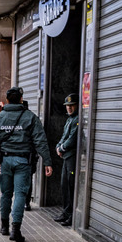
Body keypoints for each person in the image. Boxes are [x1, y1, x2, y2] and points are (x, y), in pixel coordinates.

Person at [0, 86, 52, 242]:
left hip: (5, 161)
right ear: (21, 99)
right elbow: (40, 141)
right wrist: (47, 161)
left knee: (6, 194)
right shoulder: (30, 117)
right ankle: (16, 230)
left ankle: (4, 226)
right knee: (20, 194)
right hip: (23, 161)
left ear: (7, 100)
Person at [54, 94, 79, 226]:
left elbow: (72, 138)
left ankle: (71, 215)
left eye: (71, 105)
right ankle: (66, 211)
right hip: (66, 157)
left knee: (70, 185)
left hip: (72, 157)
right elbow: (64, 136)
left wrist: (61, 148)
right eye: (67, 106)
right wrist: (59, 146)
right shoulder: (70, 119)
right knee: (64, 185)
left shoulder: (77, 120)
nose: (69, 108)